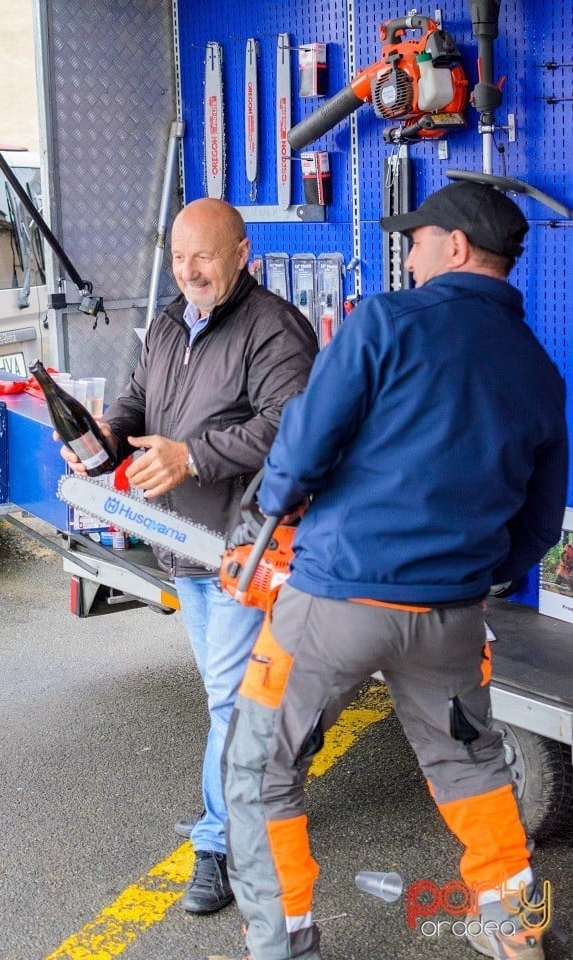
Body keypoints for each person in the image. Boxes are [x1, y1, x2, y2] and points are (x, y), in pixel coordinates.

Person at [218, 181, 568, 960]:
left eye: (415, 242)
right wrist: (472, 576)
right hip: (451, 617)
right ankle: (516, 931)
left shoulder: (386, 322)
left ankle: (282, 942)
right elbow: (539, 524)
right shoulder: (540, 372)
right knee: (471, 761)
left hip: (335, 600)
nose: (407, 258)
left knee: (261, 764)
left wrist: (262, 522)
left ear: (457, 247)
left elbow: (305, 444)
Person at [58, 198, 318, 913]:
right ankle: (288, 741)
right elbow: (141, 401)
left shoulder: (276, 329)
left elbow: (290, 428)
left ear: (241, 253)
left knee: (228, 705)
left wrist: (192, 458)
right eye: (178, 257)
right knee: (226, 701)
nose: (189, 269)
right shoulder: (171, 321)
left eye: (203, 255)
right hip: (182, 542)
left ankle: (217, 844)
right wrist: (105, 437)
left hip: (243, 544)